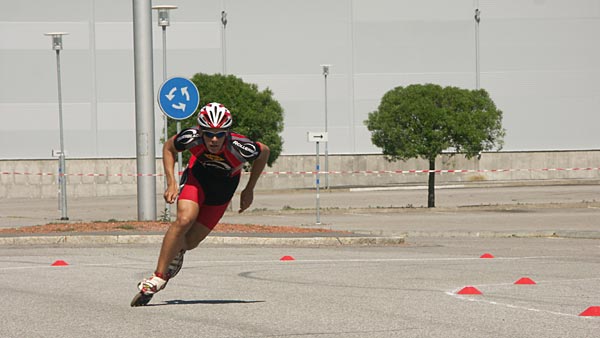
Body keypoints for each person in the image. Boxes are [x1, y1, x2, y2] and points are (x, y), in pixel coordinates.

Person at [137, 102, 270, 296]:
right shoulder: (191, 137)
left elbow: (264, 152)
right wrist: (171, 182)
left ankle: (177, 252)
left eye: (220, 134)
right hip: (197, 178)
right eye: (208, 134)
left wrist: (249, 189)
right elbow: (168, 148)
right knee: (184, 219)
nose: (214, 139)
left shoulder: (241, 147)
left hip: (223, 188)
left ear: (227, 133)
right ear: (201, 131)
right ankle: (158, 277)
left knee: (190, 243)